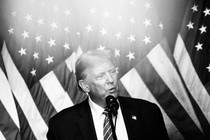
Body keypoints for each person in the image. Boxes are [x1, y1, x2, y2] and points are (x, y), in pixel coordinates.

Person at [47, 49, 169, 140]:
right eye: (101, 76)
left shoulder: (148, 113)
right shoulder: (61, 126)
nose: (110, 80)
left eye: (112, 72)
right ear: (85, 86)